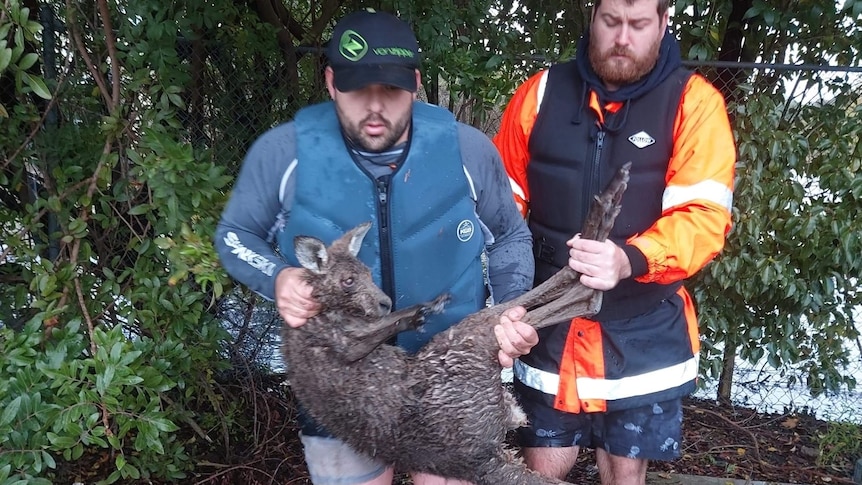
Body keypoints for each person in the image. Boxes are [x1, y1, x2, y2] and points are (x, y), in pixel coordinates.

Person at [214, 8, 538, 485]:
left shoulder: (465, 150)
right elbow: (234, 235)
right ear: (330, 81)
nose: (374, 107)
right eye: (356, 89)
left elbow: (511, 235)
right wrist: (278, 276)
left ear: (415, 83)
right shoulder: (284, 153)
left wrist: (509, 311)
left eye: (390, 90)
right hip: (344, 389)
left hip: (448, 376)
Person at [493, 0, 736, 483]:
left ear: (664, 23)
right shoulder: (539, 93)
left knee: (626, 472)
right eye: (611, 21)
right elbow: (502, 211)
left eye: (639, 24)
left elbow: (704, 216)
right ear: (593, 17)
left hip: (643, 326)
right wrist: (505, 299)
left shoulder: (696, 102)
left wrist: (631, 258)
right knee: (540, 468)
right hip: (548, 323)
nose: (622, 37)